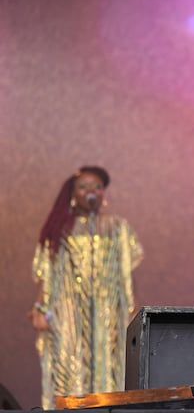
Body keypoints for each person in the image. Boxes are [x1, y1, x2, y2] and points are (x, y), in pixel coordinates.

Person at [28, 166, 143, 409]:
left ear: (103, 193)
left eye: (97, 186)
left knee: (110, 371)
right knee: (70, 372)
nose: (90, 190)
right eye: (83, 186)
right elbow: (46, 273)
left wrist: (132, 308)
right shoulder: (59, 228)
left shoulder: (118, 227)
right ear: (72, 193)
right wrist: (39, 306)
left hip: (108, 313)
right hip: (68, 314)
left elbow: (126, 274)